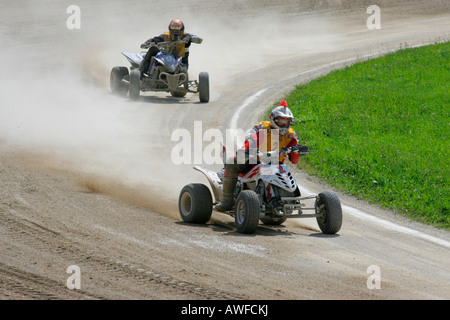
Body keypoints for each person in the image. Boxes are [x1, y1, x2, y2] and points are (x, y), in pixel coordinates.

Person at [215, 99, 310, 212]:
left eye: (287, 122)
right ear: (273, 119)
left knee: (286, 174)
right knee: (231, 162)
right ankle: (227, 201)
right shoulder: (262, 127)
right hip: (253, 160)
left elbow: (294, 159)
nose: (284, 125)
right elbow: (251, 140)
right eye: (281, 121)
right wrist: (248, 150)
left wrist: (296, 151)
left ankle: (289, 198)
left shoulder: (291, 135)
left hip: (275, 165)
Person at [138, 19, 202, 76]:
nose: (175, 35)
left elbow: (199, 39)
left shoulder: (186, 36)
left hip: (181, 61)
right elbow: (153, 40)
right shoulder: (164, 37)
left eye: (178, 32)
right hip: (166, 59)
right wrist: (146, 43)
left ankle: (181, 80)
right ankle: (140, 72)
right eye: (173, 32)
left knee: (184, 72)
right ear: (170, 31)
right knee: (153, 49)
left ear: (182, 31)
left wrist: (190, 38)